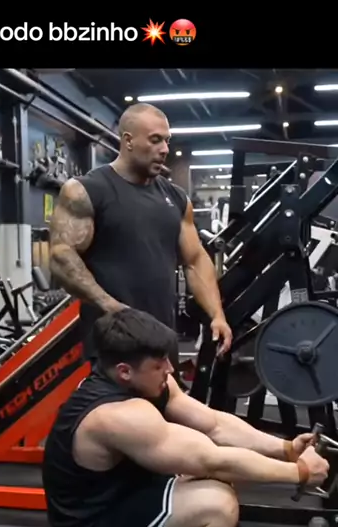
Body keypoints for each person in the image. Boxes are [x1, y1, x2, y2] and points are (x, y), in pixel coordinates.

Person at [42, 308, 329, 527]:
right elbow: (211, 459)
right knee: (215, 504)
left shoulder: (147, 383)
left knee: (216, 474)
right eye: (158, 365)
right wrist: (300, 473)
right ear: (124, 372)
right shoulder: (115, 415)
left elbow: (214, 424)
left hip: (123, 500)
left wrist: (286, 449)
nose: (170, 369)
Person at [48, 101, 233, 365]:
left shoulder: (176, 198)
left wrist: (217, 315)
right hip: (113, 346)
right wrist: (112, 308)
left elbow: (195, 260)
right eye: (155, 140)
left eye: (167, 141)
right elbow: (61, 257)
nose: (165, 149)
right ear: (128, 141)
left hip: (162, 340)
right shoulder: (86, 191)